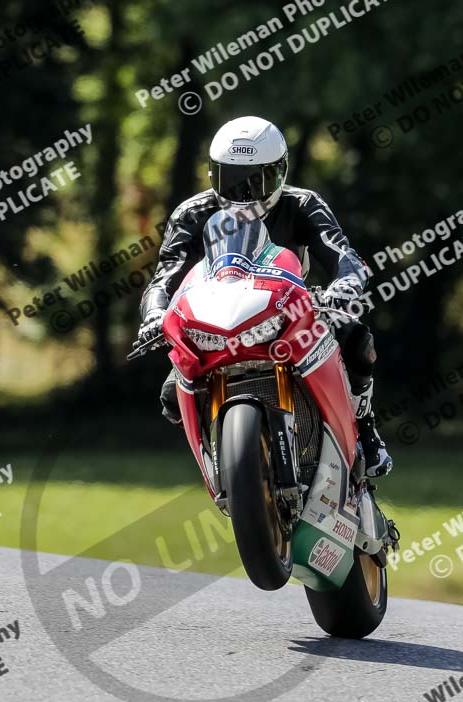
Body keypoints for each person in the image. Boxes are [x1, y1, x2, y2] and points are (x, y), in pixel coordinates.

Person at [137, 116, 392, 477]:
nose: (244, 195)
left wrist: (344, 287)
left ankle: (365, 429)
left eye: (256, 181)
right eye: (233, 180)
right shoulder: (191, 214)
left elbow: (342, 254)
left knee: (356, 338)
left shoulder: (303, 203)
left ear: (281, 171)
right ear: (213, 175)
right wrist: (155, 315)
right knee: (171, 398)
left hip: (289, 314)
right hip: (214, 322)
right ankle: (222, 457)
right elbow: (163, 278)